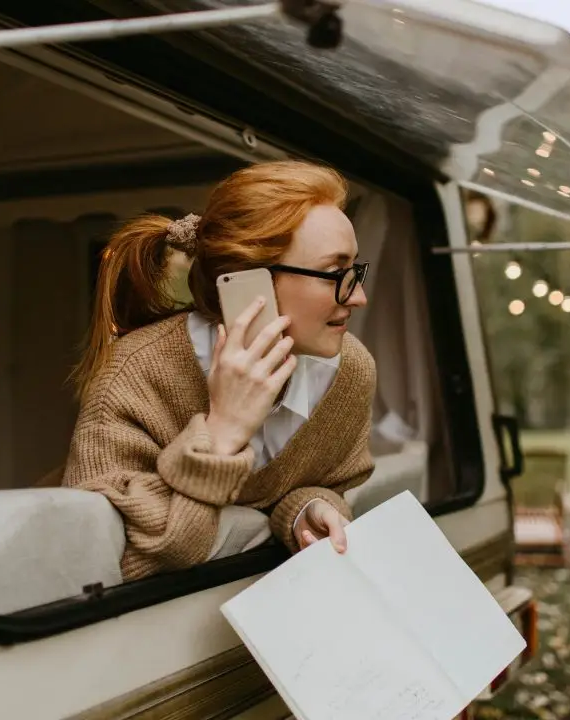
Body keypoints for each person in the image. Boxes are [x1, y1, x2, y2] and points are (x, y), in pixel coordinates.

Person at [63, 160, 375, 582]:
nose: (358, 297)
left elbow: (311, 485)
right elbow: (117, 562)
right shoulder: (134, 373)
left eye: (354, 270)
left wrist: (305, 510)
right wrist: (223, 431)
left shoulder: (351, 371)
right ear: (249, 282)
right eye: (335, 273)